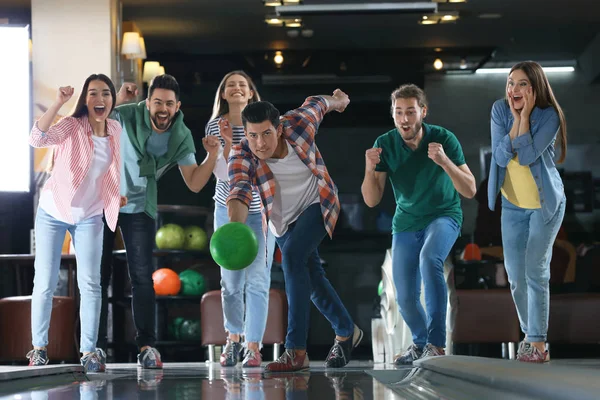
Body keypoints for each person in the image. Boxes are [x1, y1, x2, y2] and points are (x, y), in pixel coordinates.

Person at [227, 89, 363, 372]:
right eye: (252, 135)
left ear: (279, 128)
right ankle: (346, 329)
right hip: (283, 223)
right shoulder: (242, 153)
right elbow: (239, 192)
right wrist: (234, 232)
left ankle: (296, 351)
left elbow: (318, 103)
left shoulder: (298, 124)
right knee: (311, 280)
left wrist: (338, 102)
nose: (259, 143)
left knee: (291, 259)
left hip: (318, 203)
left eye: (265, 134)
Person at [98, 74, 221, 368]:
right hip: (104, 201)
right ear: (147, 102)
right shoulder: (126, 114)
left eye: (168, 103)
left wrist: (213, 155)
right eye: (156, 102)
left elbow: (193, 182)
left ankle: (147, 346)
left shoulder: (180, 136)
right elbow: (96, 122)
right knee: (97, 278)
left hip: (140, 205)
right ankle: (95, 346)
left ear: (177, 106)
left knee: (143, 277)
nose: (162, 109)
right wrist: (119, 98)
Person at [361, 84, 476, 365]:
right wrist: (368, 167)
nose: (404, 119)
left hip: (444, 215)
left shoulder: (443, 139)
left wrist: (445, 162)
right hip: (407, 222)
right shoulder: (385, 144)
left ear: (422, 112)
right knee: (405, 297)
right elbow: (372, 200)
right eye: (398, 112)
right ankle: (420, 341)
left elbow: (470, 189)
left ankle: (436, 344)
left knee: (430, 259)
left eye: (410, 112)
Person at [27, 74, 124, 372]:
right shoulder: (71, 126)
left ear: (111, 100)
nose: (100, 99)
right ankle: (38, 349)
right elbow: (36, 138)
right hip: (53, 211)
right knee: (44, 282)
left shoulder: (116, 129)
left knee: (91, 283)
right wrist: (58, 101)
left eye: (105, 94)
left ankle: (89, 352)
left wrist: (116, 195)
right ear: (85, 99)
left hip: (90, 215)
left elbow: (110, 169)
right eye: (93, 93)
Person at [488, 61, 567, 363]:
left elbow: (527, 156)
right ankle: (529, 335)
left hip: (545, 204)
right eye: (510, 83)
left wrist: (523, 119)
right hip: (512, 204)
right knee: (515, 277)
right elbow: (498, 155)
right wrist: (516, 119)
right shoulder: (498, 110)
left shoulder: (550, 116)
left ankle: (537, 343)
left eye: (522, 84)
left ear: (535, 88)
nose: (514, 89)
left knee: (535, 270)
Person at [206, 71, 276, 367]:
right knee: (231, 281)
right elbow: (220, 172)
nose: (236, 88)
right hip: (227, 209)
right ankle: (233, 339)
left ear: (251, 94)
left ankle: (253, 346)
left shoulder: (262, 125)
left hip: (260, 211)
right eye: (230, 85)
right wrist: (224, 142)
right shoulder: (214, 125)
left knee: (258, 280)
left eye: (242, 85)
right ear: (223, 94)